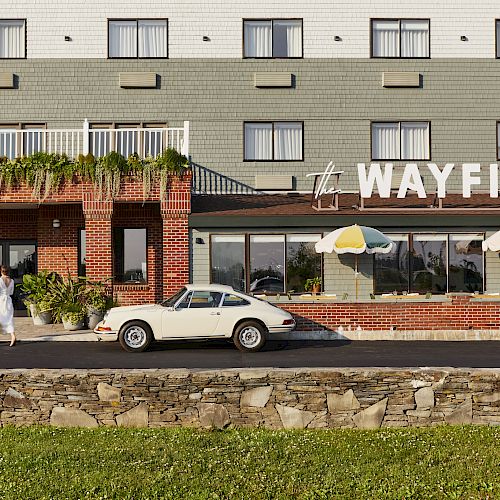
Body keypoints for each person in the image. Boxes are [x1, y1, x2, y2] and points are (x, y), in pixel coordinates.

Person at [0, 266, 16, 346]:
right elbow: (11, 292)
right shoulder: (12, 281)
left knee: (1, 318)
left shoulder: (0, 280)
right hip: (8, 301)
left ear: (1, 271)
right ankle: (13, 336)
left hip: (1, 301)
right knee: (9, 319)